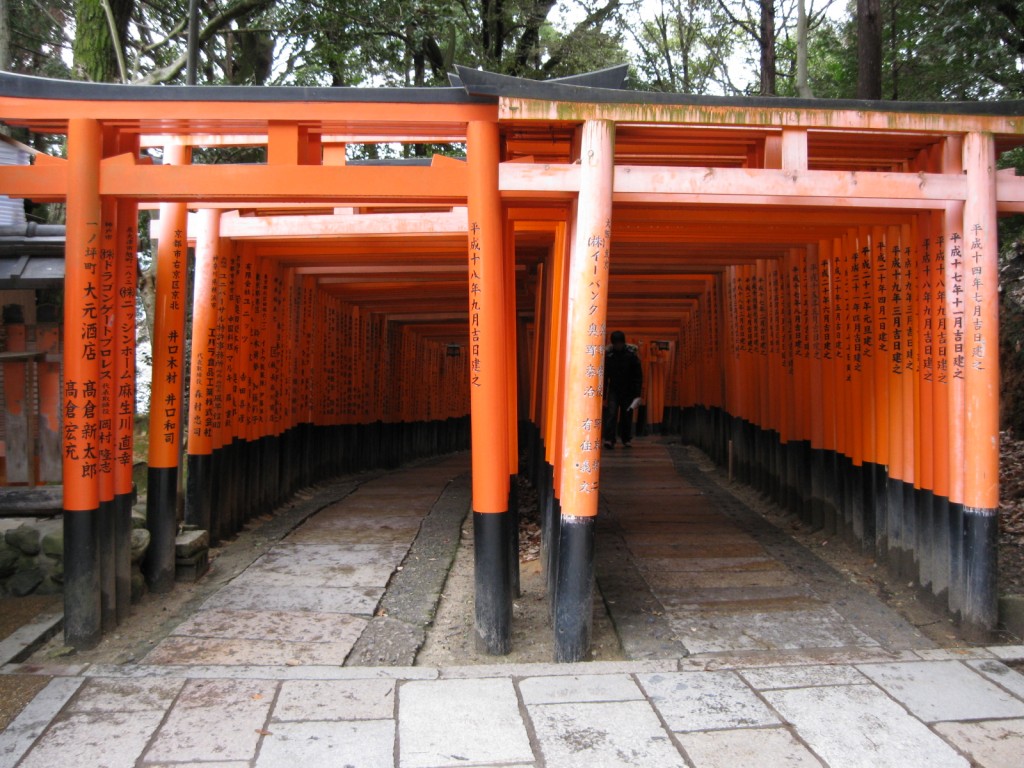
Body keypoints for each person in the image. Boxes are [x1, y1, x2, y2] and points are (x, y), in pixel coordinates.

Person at [603, 330, 642, 449]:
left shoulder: (631, 356)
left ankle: (626, 439)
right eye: (616, 343)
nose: (618, 346)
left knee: (627, 415)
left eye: (619, 343)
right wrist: (603, 393)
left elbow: (638, 375)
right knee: (611, 414)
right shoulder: (609, 356)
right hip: (614, 389)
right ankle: (610, 439)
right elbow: (604, 375)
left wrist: (637, 393)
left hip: (628, 390)